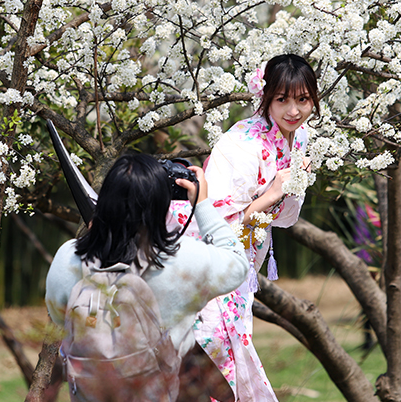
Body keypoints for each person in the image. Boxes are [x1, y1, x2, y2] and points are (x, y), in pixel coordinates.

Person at [46, 153, 249, 401]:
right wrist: (202, 204)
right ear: (162, 204)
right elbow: (238, 264)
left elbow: (60, 319)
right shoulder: (186, 259)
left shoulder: (67, 257)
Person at [179, 53, 320, 401]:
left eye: (302, 99)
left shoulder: (300, 139)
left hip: (244, 263)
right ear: (265, 97)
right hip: (208, 261)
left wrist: (285, 192)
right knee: (213, 347)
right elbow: (210, 218)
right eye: (282, 99)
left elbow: (285, 218)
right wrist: (271, 193)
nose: (293, 110)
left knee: (230, 351)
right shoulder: (239, 144)